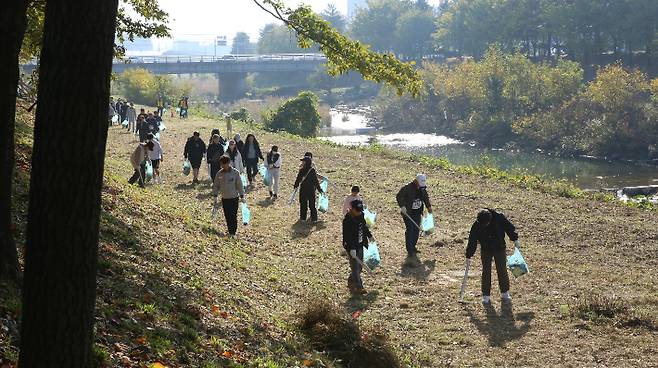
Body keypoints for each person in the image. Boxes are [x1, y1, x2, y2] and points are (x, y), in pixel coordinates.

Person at [466, 209, 520, 304]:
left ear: (490, 220)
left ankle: (505, 292)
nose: (484, 226)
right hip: (485, 249)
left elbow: (509, 228)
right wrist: (469, 254)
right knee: (486, 271)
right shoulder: (477, 224)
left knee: (502, 269)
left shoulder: (499, 217)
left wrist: (515, 239)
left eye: (485, 224)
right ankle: (486, 295)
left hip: (499, 248)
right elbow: (472, 240)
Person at [396, 174, 432, 257]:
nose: (421, 185)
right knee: (410, 230)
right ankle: (410, 249)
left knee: (416, 230)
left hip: (417, 212)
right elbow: (399, 196)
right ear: (416, 181)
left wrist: (428, 206)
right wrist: (402, 206)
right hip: (408, 213)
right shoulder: (407, 188)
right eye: (420, 183)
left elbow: (425, 197)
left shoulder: (422, 189)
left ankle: (413, 246)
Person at [342, 199, 374, 295]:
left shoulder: (361, 215)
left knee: (359, 267)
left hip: (360, 244)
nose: (359, 212)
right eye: (357, 210)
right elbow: (347, 235)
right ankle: (359, 287)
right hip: (351, 247)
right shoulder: (347, 220)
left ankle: (351, 280)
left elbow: (364, 227)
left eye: (360, 210)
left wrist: (369, 235)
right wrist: (351, 248)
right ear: (352, 209)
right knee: (355, 267)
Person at [212, 156, 246, 238]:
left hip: (234, 198)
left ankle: (233, 232)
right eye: (221, 165)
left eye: (224, 164)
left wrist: (242, 196)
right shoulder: (219, 173)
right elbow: (216, 185)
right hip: (225, 198)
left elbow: (239, 185)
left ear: (228, 163)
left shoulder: (235, 173)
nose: (223, 166)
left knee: (233, 215)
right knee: (227, 215)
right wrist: (215, 196)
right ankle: (230, 231)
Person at [294, 156, 324, 223]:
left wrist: (319, 189)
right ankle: (304, 218)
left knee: (311, 205)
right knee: (304, 204)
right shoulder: (302, 170)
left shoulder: (311, 170)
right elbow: (298, 179)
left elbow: (315, 181)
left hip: (309, 190)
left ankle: (313, 219)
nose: (302, 162)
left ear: (307, 162)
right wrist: (296, 185)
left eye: (303, 161)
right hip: (306, 190)